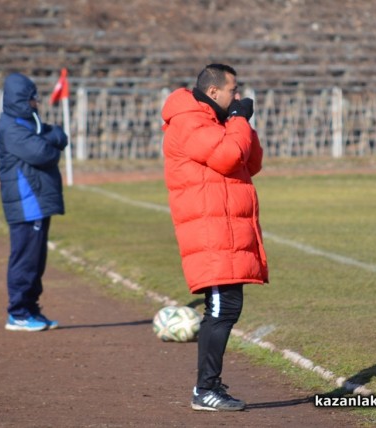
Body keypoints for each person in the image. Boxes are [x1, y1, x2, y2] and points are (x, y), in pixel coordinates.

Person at [161, 64, 269, 411]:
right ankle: (205, 390)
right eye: (233, 90)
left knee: (226, 308)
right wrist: (238, 119)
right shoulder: (189, 120)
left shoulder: (216, 121)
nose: (237, 96)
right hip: (211, 230)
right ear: (213, 92)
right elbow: (227, 157)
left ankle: (208, 387)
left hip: (225, 227)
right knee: (222, 309)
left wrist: (239, 121)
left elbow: (251, 162)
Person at [0, 72, 68, 332]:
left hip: (36, 202)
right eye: (33, 99)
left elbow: (59, 135)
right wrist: (48, 139)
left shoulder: (28, 124)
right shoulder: (11, 126)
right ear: (22, 100)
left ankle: (31, 308)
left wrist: (48, 137)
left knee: (36, 260)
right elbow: (43, 153)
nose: (37, 103)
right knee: (25, 259)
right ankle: (18, 313)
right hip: (27, 204)